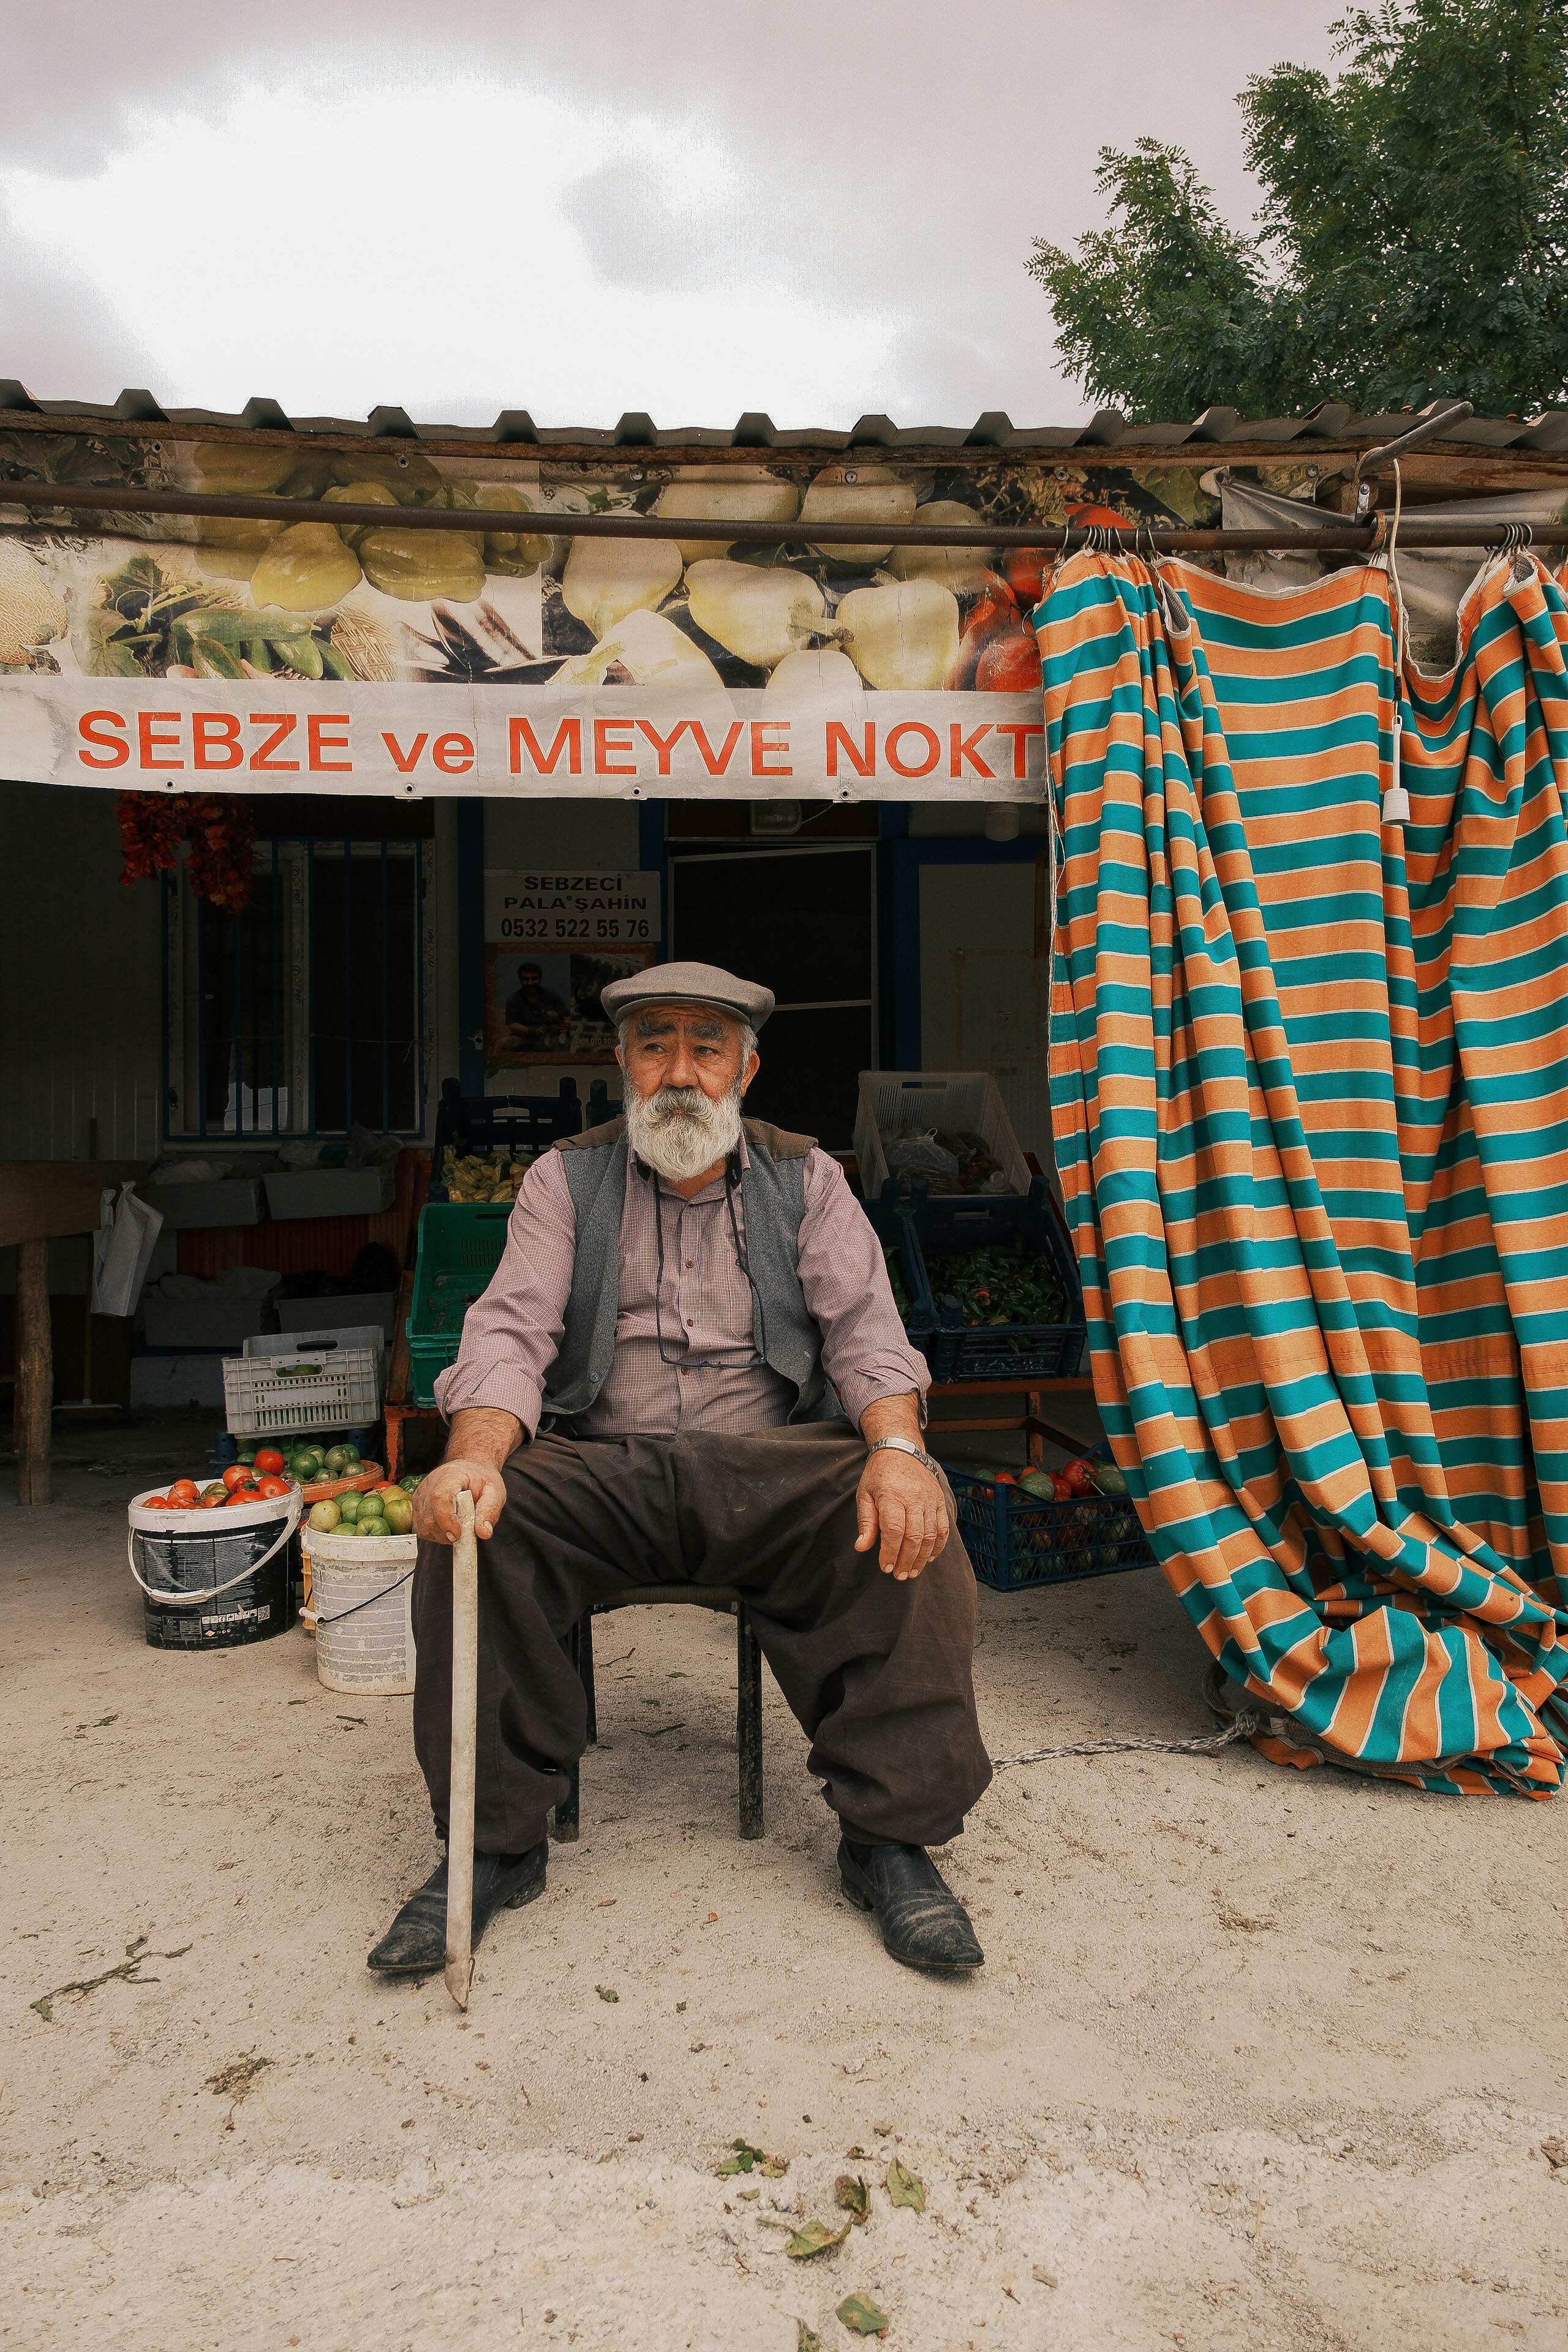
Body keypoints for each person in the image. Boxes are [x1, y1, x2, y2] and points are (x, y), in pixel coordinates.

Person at [369, 960, 991, 1981]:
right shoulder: (567, 1178)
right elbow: (508, 1336)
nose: (680, 1073)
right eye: (654, 1045)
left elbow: (865, 1334)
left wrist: (897, 1448)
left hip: (769, 1469)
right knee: (485, 1522)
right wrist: (472, 1461)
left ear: (747, 1066)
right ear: (622, 1062)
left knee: (901, 1507)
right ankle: (491, 1844)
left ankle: (891, 1841)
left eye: (707, 1047)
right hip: (605, 1465)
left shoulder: (808, 1177)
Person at [503, 960, 571, 1050]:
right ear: (520, 980)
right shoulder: (514, 999)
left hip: (550, 1037)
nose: (530, 983)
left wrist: (567, 1024)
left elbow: (567, 1016)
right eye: (526, 979)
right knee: (505, 1043)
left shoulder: (552, 996)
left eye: (534, 978)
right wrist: (533, 1031)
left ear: (540, 979)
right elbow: (512, 1025)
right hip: (525, 1037)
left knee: (563, 1043)